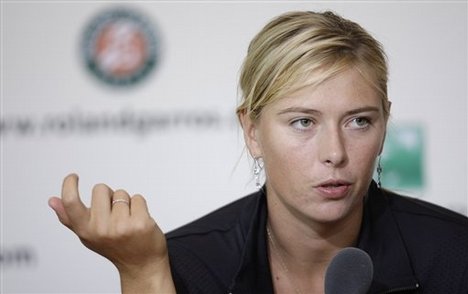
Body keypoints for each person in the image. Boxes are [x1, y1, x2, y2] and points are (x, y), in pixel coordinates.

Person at [49, 10, 468, 294]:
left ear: (384, 122)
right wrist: (143, 274)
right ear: (252, 131)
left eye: (359, 121)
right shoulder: (188, 265)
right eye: (303, 121)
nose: (335, 153)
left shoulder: (455, 254)